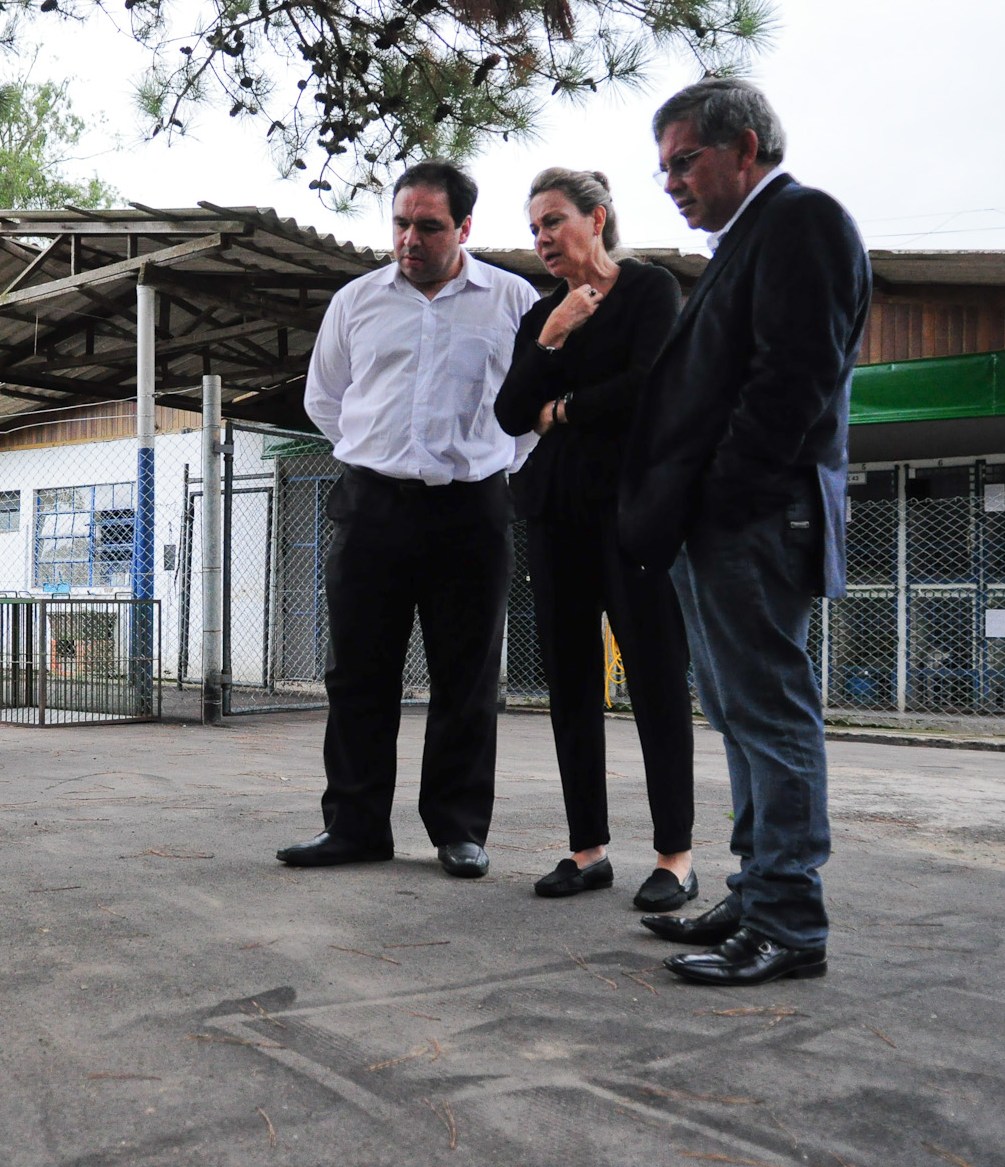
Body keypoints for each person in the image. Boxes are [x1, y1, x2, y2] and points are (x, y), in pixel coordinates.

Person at [618, 79, 871, 986]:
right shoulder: (748, 240)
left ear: (747, 147)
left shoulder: (804, 223)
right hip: (727, 516)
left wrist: (721, 496)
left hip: (755, 515)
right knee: (735, 711)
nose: (672, 181)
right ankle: (757, 887)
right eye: (664, 170)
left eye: (685, 160)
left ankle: (790, 919)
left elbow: (791, 379)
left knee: (768, 710)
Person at [279, 161, 540, 876]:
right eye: (400, 223)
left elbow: (528, 413)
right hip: (373, 507)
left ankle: (458, 828)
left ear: (464, 228)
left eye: (428, 225)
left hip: (471, 508)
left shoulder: (513, 301)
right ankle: (355, 826)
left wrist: (483, 460)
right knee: (358, 674)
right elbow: (325, 399)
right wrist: (378, 453)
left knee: (466, 674)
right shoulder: (357, 301)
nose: (410, 238)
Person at [493, 170, 697, 912]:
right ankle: (588, 850)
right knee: (572, 684)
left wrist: (566, 409)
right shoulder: (542, 316)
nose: (543, 238)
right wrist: (552, 337)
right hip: (554, 515)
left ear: (598, 218)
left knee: (653, 677)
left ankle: (675, 856)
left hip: (633, 512)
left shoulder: (648, 289)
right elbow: (511, 412)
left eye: (554, 221)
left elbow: (650, 386)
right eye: (534, 228)